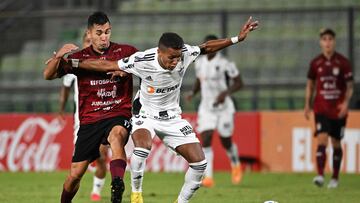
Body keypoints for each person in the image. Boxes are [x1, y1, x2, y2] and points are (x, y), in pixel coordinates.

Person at [67, 16, 258, 203]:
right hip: (145, 114)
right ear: (159, 52)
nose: (175, 62)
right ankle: (136, 196)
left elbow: (206, 47)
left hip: (172, 117)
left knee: (200, 164)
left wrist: (236, 39)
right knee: (141, 148)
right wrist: (74, 63)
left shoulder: (185, 53)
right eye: (171, 58)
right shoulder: (142, 60)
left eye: (178, 57)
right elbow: (106, 64)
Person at [43, 11, 138, 203]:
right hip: (90, 120)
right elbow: (48, 75)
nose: (104, 37)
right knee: (75, 174)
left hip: (117, 111)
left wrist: (125, 71)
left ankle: (117, 184)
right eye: (99, 33)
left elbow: (149, 67)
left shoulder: (127, 52)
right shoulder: (79, 58)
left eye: (108, 32)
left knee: (117, 135)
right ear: (89, 34)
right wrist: (59, 56)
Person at [185, 34, 244, 187]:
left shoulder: (225, 63)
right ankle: (208, 177)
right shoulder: (199, 62)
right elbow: (199, 80)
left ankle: (235, 163)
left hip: (224, 108)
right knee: (206, 139)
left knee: (226, 141)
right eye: (207, 45)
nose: (210, 48)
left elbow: (239, 83)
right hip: (206, 108)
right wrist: (193, 93)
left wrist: (226, 93)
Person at [58, 32, 109, 201]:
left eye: (91, 41)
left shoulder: (105, 63)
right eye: (87, 41)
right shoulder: (73, 67)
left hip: (102, 118)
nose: (89, 44)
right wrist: (61, 109)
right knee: (78, 170)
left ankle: (96, 191)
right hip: (82, 123)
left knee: (102, 158)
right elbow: (65, 90)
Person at [304, 28, 354, 188]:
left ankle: (335, 177)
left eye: (330, 39)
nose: (327, 42)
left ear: (334, 41)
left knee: (336, 143)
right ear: (321, 42)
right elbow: (310, 85)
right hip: (321, 108)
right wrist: (307, 104)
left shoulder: (343, 62)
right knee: (322, 139)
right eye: (324, 39)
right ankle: (319, 175)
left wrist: (346, 103)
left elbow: (350, 86)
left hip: (338, 109)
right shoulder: (315, 63)